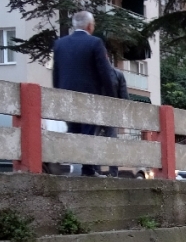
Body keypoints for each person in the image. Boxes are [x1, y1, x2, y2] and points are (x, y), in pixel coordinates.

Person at [52, 11, 115, 177]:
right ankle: (88, 170)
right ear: (89, 26)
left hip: (66, 96)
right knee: (88, 131)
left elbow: (56, 73)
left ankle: (71, 166)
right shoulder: (95, 43)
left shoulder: (59, 44)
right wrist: (111, 97)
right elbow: (104, 72)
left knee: (73, 130)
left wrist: (57, 95)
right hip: (89, 97)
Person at [101, 67, 129, 177]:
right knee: (111, 141)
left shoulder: (91, 71)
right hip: (109, 113)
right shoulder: (117, 74)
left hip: (99, 112)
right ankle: (113, 173)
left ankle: (94, 171)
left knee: (94, 139)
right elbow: (124, 99)